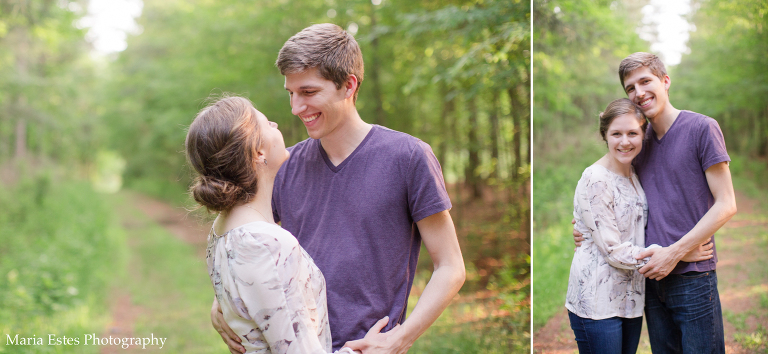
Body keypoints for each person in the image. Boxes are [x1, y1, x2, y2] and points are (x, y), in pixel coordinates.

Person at [211, 24, 466, 354]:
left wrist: (401, 338)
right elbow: (246, 243)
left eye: (308, 92)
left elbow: (451, 267)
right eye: (291, 93)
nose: (295, 107)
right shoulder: (284, 165)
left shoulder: (408, 157)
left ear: (348, 85)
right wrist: (222, 299)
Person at [186, 96, 380, 353]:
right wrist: (370, 349)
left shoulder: (222, 230)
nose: (276, 125)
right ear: (258, 152)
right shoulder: (269, 244)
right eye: (268, 124)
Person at [573, 52, 737, 353]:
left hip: (693, 276)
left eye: (645, 81)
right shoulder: (637, 143)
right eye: (630, 88)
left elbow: (726, 203)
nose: (638, 92)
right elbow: (609, 192)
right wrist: (584, 226)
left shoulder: (702, 129)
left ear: (665, 81)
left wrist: (677, 253)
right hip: (648, 281)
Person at [566, 98, 713, 354]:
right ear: (605, 135)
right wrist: (676, 254)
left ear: (643, 134)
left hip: (630, 299)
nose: (625, 141)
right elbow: (612, 250)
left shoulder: (632, 173)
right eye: (616, 134)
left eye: (632, 133)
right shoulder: (595, 178)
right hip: (597, 301)